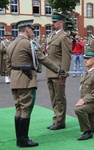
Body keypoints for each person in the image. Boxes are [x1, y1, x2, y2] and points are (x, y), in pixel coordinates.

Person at [6, 19, 66, 148]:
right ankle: (23, 139)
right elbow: (43, 59)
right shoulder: (29, 44)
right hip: (26, 80)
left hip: (15, 80)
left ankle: (19, 139)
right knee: (26, 109)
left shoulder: (11, 44)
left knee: (18, 109)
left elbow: (8, 65)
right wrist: (58, 70)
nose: (33, 32)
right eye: (32, 29)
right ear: (27, 29)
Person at [46, 12, 72, 130]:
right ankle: (56, 119)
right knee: (53, 97)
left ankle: (60, 122)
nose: (53, 23)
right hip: (50, 72)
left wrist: (63, 74)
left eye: (55, 21)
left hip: (58, 73)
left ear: (61, 22)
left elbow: (66, 58)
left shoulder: (64, 37)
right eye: (52, 21)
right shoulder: (51, 35)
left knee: (59, 97)